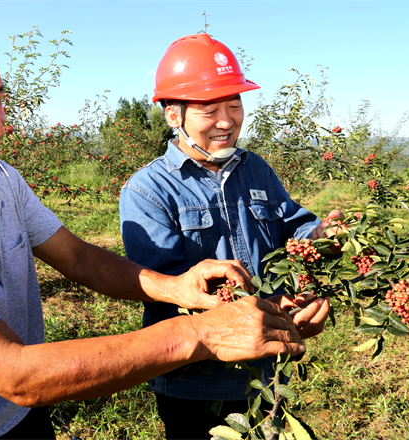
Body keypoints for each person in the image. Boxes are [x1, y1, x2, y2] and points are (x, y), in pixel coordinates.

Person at [0, 11, 310, 439]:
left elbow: (79, 257)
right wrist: (201, 334)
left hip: (25, 420)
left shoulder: (1, 181)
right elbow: (17, 375)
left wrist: (177, 288)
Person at [119, 34, 340, 439]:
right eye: (209, 108)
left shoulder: (255, 169)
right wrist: (260, 304)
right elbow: (166, 287)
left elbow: (293, 226)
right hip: (193, 379)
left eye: (234, 104)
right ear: (173, 115)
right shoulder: (147, 190)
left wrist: (323, 235)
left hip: (265, 370)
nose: (226, 120)